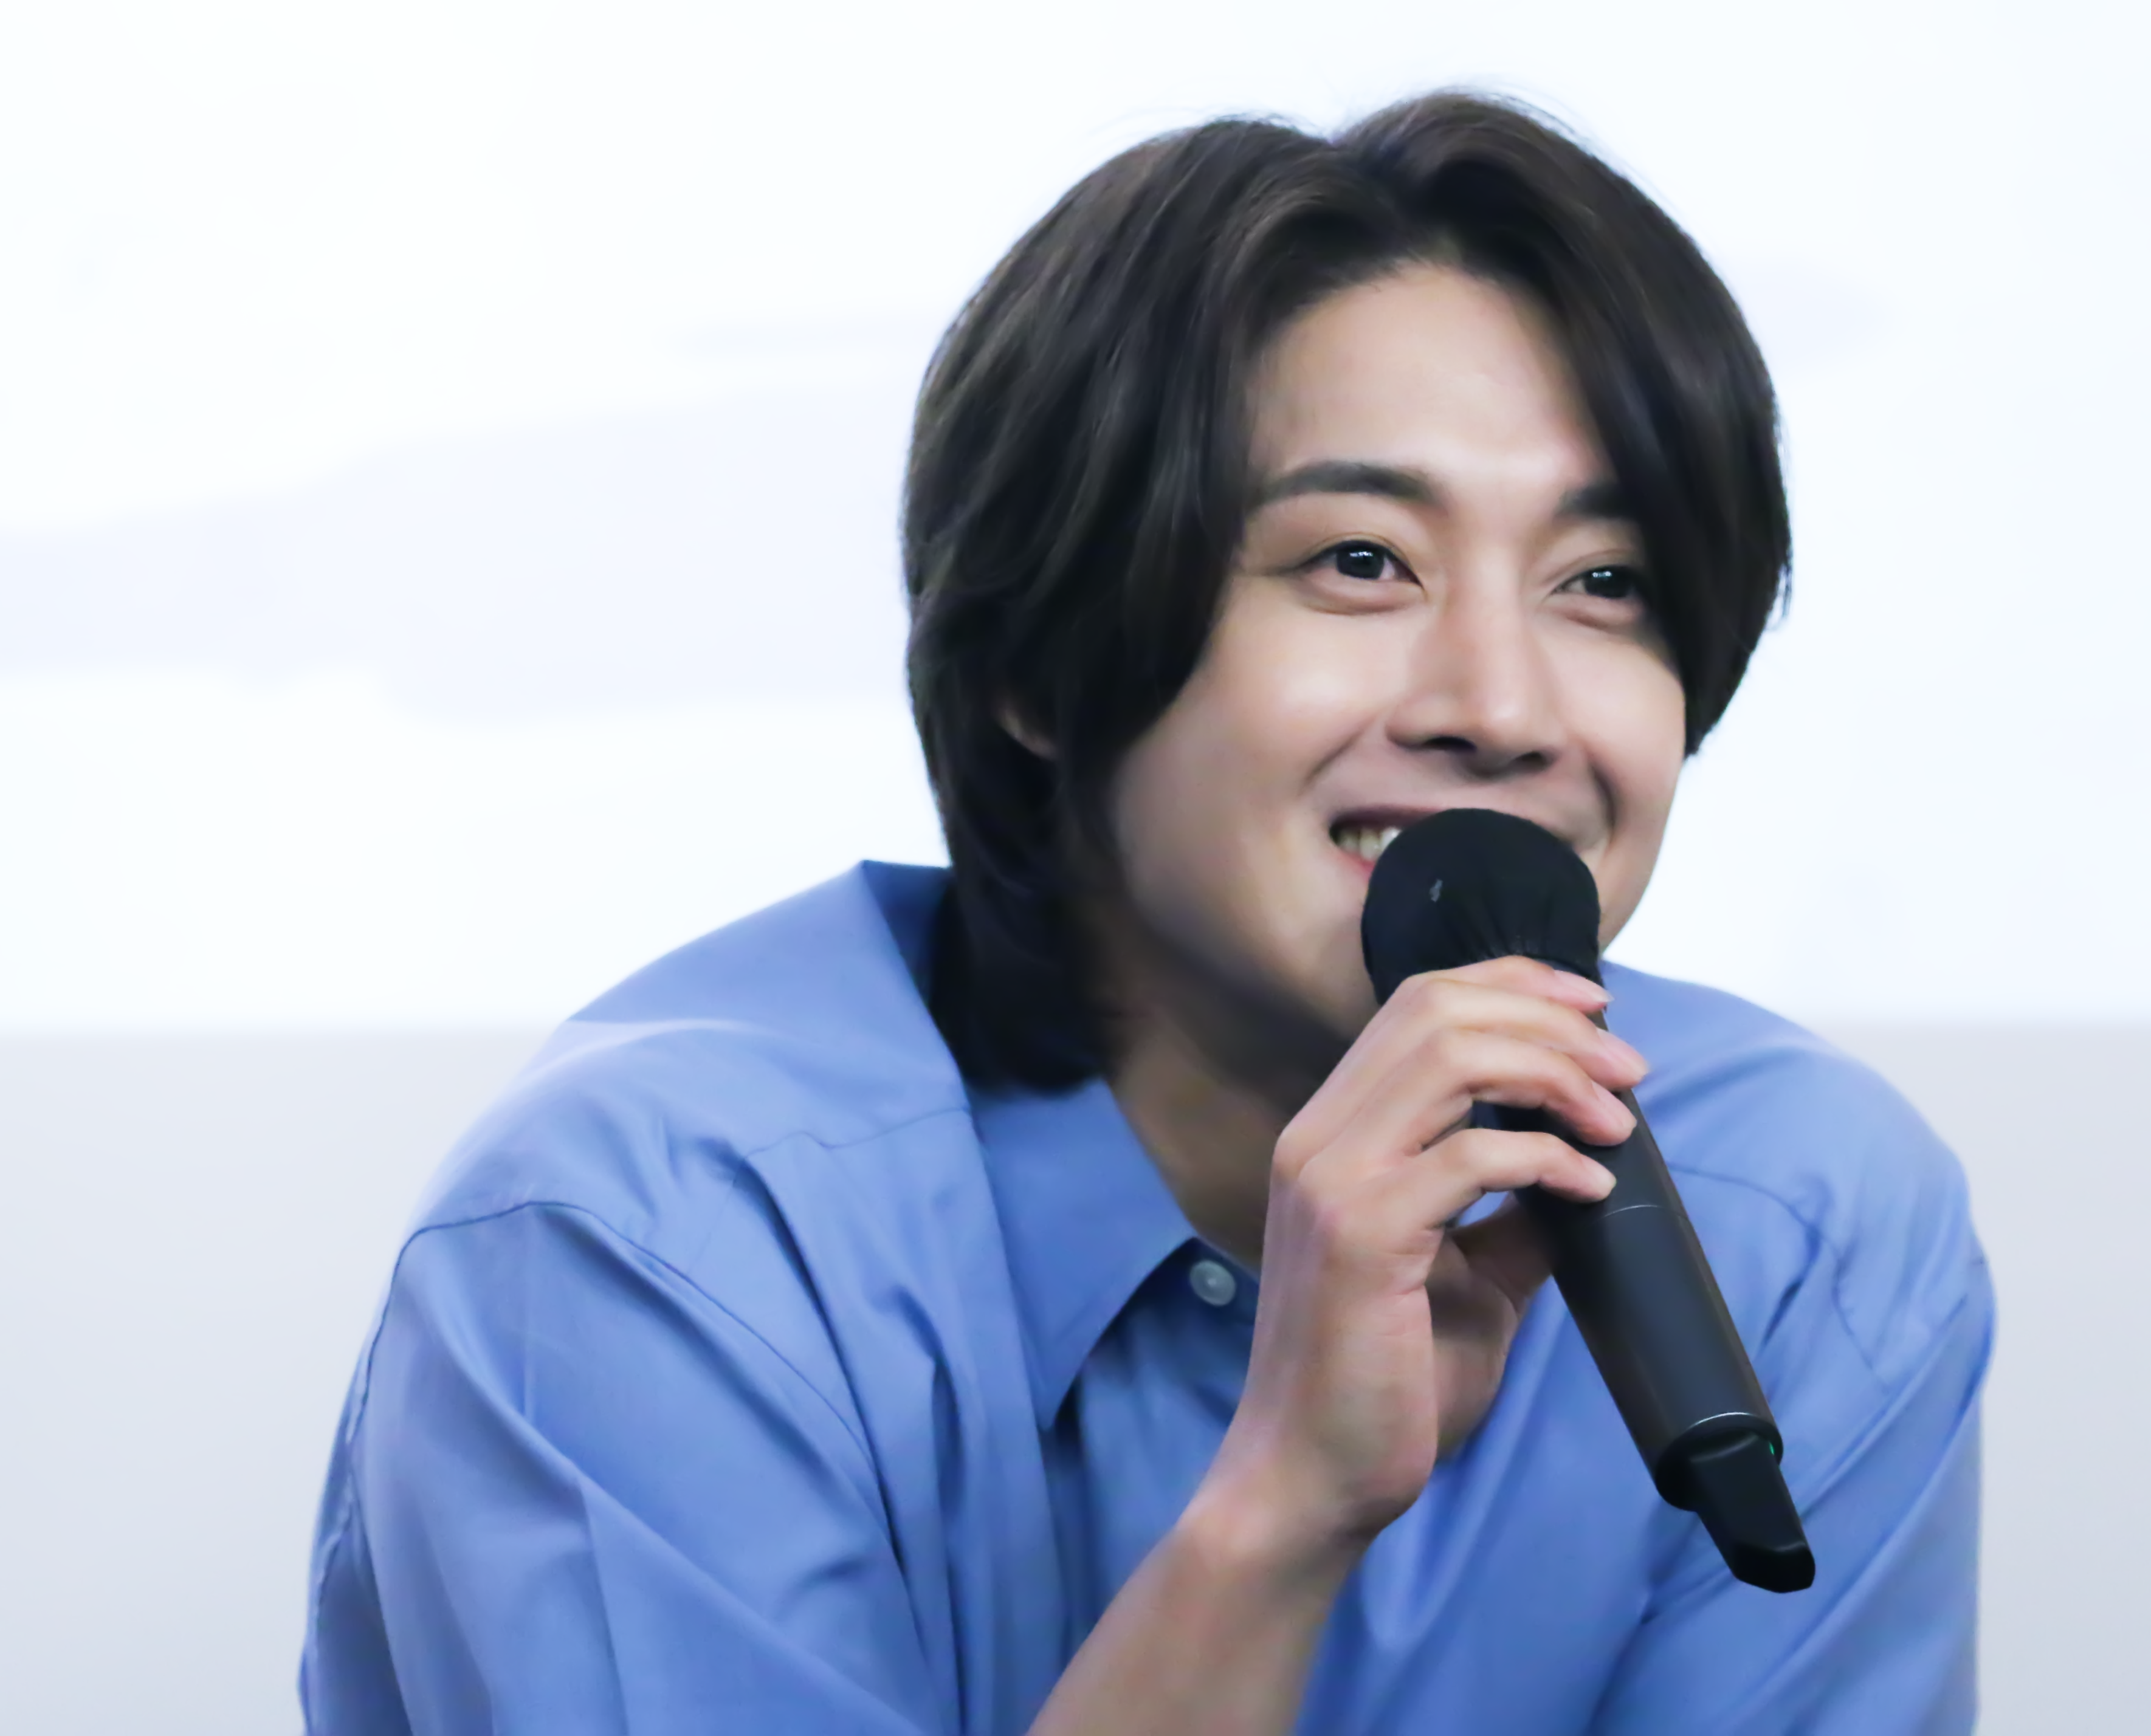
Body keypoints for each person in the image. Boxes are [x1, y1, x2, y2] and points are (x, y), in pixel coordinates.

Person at [301, 93, 1992, 1734]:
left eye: (1602, 584)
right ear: (1041, 658)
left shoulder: (1795, 1223)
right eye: (1359, 562)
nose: (1501, 706)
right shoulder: (657, 1238)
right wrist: (1277, 1519)